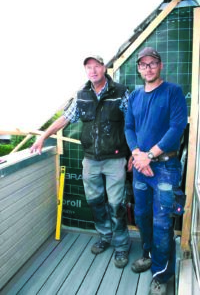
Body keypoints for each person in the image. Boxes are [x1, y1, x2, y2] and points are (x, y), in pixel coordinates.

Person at [30, 55, 130, 268]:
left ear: (104, 68)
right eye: (88, 67)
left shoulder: (121, 92)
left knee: (116, 204)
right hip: (91, 160)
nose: (93, 71)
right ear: (86, 71)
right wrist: (42, 137)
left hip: (115, 159)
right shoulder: (82, 95)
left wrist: (136, 152)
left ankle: (121, 246)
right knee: (95, 202)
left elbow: (133, 122)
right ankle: (104, 236)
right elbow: (65, 118)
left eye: (96, 66)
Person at [125, 47, 187, 295]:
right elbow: (129, 127)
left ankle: (162, 273)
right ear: (139, 69)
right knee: (141, 216)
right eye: (143, 64)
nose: (148, 68)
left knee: (162, 223)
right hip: (141, 168)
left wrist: (149, 155)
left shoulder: (173, 92)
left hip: (165, 168)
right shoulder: (135, 96)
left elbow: (177, 127)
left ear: (160, 66)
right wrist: (138, 154)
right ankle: (149, 255)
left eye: (152, 63)